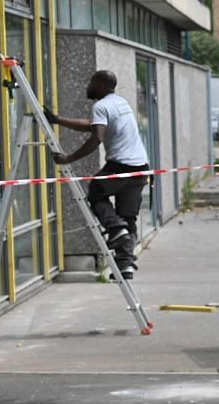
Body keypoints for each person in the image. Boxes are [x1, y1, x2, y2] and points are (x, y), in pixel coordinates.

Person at [50, 70, 149, 279]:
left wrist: (69, 158)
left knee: (96, 190)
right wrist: (58, 120)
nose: (88, 86)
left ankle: (115, 228)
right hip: (140, 168)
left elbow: (96, 137)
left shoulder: (100, 106)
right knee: (128, 216)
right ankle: (125, 265)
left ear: (102, 85)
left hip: (121, 166)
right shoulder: (120, 103)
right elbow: (92, 125)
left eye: (92, 82)